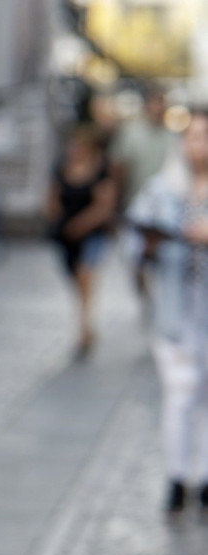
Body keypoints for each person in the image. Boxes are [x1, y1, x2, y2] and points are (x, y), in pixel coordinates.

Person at [127, 109, 208, 515]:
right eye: (194, 137)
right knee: (180, 392)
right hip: (174, 310)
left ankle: (205, 474)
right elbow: (134, 245)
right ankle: (177, 476)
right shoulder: (162, 189)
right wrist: (151, 244)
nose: (200, 146)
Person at [45, 123, 119, 359]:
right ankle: (85, 320)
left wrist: (81, 225)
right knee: (75, 279)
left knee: (86, 275)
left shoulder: (100, 169)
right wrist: (58, 221)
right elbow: (51, 199)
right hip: (66, 235)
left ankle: (84, 327)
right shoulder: (61, 168)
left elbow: (104, 206)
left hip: (92, 233)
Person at [110, 86, 177, 315]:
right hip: (134, 208)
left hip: (164, 212)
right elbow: (118, 168)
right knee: (134, 261)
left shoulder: (172, 137)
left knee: (163, 260)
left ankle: (162, 303)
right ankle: (146, 298)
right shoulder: (131, 133)